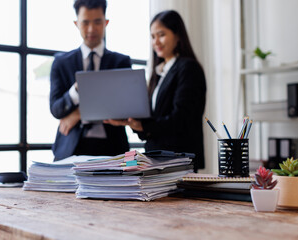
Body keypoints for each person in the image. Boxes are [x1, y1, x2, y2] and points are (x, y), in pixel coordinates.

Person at [105, 10, 206, 170]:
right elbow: (155, 119)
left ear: (177, 35)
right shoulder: (158, 73)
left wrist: (144, 126)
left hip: (179, 159)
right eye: (153, 37)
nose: (156, 41)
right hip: (156, 158)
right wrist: (132, 123)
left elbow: (181, 118)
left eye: (161, 35)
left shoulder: (188, 68)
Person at [50, 0, 130, 160]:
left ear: (106, 22)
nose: (91, 29)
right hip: (71, 147)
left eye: (98, 22)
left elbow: (124, 108)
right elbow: (56, 109)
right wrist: (76, 90)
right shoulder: (61, 62)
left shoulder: (121, 62)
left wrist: (80, 113)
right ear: (76, 23)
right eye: (85, 23)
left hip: (113, 147)